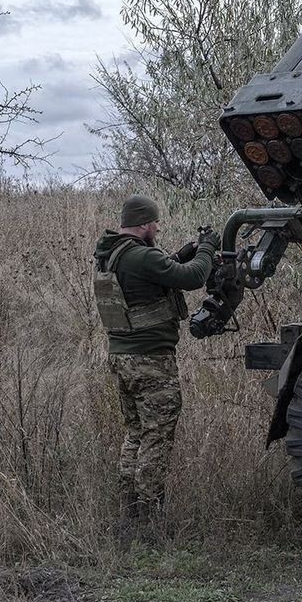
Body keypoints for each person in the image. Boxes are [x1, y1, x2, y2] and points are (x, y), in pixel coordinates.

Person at [92, 194, 220, 535]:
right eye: (156, 223)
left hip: (122, 358)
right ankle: (150, 519)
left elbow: (156, 275)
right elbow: (192, 278)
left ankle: (129, 513)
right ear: (145, 223)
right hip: (150, 361)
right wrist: (207, 249)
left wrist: (181, 254)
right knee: (157, 436)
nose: (158, 228)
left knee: (135, 433)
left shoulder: (112, 254)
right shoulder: (140, 256)